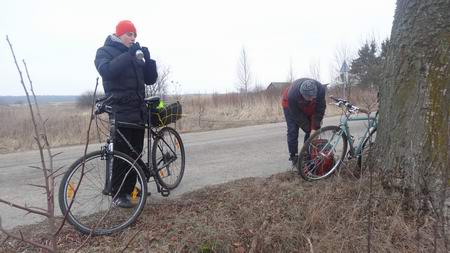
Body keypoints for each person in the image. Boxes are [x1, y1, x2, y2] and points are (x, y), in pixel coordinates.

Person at [94, 20, 158, 208]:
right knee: (122, 153)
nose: (132, 38)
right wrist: (129, 55)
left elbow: (150, 79)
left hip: (138, 111)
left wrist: (148, 60)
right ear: (119, 34)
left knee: (136, 152)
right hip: (120, 110)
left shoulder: (135, 54)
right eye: (129, 34)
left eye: (134, 35)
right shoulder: (104, 51)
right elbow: (107, 71)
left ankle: (130, 188)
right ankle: (119, 194)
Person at [281, 78, 326, 165]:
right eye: (308, 97)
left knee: (314, 129)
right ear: (302, 94)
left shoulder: (320, 90)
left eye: (312, 96)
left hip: (310, 106)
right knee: (293, 130)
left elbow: (320, 110)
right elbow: (297, 116)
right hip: (289, 105)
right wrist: (309, 129)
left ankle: (308, 153)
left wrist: (314, 128)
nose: (310, 99)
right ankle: (294, 156)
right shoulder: (292, 95)